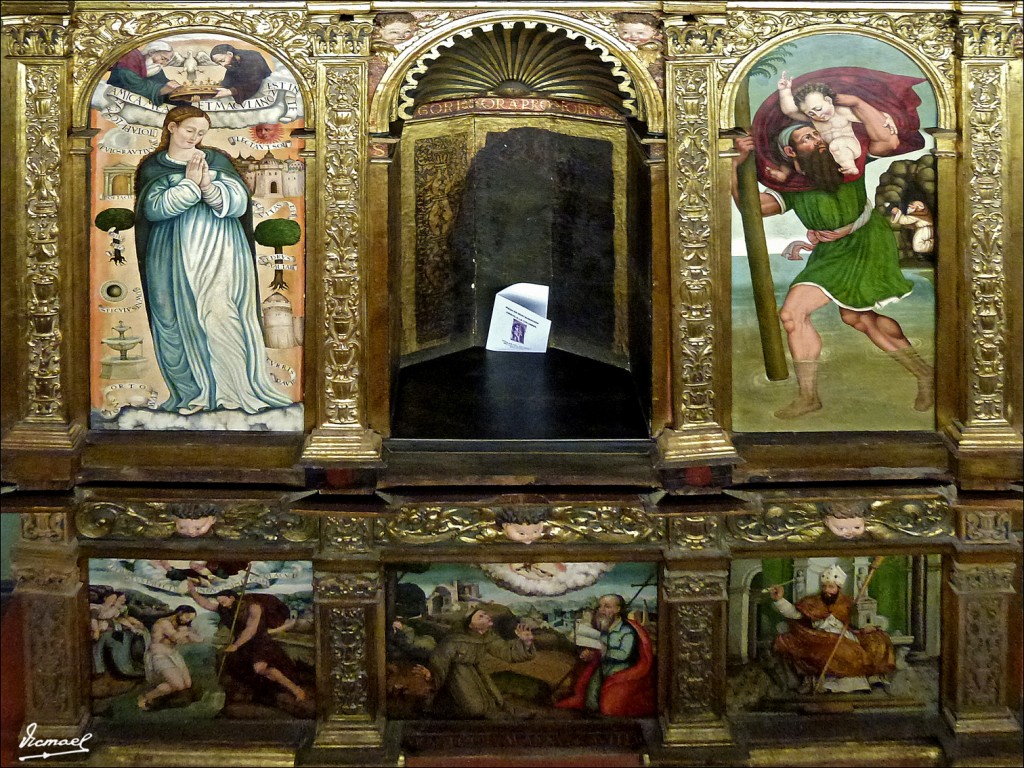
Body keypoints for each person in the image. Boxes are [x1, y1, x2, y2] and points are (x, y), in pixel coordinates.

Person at [732, 122, 934, 419]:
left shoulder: (845, 160)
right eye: (807, 138)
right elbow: (754, 208)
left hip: (865, 242)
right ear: (790, 151)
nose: (818, 140)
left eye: (816, 134)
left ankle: (811, 396)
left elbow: (887, 142)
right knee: (850, 317)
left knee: (806, 314)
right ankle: (812, 395)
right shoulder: (791, 186)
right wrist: (735, 165)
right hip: (831, 252)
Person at [134, 106, 291, 416]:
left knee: (221, 315)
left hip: (218, 251)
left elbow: (238, 203)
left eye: (201, 133)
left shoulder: (216, 161)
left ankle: (232, 393)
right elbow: (153, 210)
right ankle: (192, 394)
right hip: (170, 257)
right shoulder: (154, 167)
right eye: (190, 130)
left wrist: (206, 185)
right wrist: (189, 185)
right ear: (172, 128)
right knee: (173, 321)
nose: (195, 137)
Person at [769, 564, 895, 693]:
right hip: (820, 637)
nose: (827, 590)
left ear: (838, 588)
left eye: (831, 587)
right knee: (841, 651)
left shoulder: (847, 602)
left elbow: (857, 622)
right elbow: (794, 613)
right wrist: (779, 600)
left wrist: (866, 627)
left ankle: (873, 676)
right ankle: (830, 683)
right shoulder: (812, 602)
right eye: (824, 586)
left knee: (877, 639)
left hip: (846, 635)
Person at [187, 582, 306, 702]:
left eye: (223, 601)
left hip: (259, 642)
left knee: (260, 668)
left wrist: (235, 645)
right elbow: (205, 604)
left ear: (232, 598)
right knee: (241, 669)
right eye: (219, 602)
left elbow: (250, 630)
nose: (221, 604)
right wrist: (192, 591)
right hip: (243, 645)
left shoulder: (253, 607)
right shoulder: (224, 609)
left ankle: (297, 691)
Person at [776, 74, 897, 178]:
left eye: (818, 109)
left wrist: (888, 118)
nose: (818, 115)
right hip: (834, 154)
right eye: (811, 113)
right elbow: (789, 111)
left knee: (837, 144)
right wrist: (784, 92)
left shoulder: (842, 112)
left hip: (850, 148)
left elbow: (870, 116)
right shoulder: (814, 119)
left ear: (829, 101)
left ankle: (851, 167)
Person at [555, 594, 656, 717]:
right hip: (603, 668)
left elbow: (623, 654)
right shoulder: (604, 628)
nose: (601, 610)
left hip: (620, 670)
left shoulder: (627, 631)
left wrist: (603, 652)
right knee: (591, 695)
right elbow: (598, 646)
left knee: (610, 703)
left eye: (607, 607)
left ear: (618, 609)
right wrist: (590, 654)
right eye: (600, 606)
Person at [424, 608, 535, 719]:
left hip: (475, 670)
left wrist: (525, 643)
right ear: (470, 625)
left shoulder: (487, 637)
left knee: (495, 698)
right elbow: (440, 657)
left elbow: (506, 652)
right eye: (480, 616)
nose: (486, 617)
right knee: (475, 707)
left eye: (485, 614)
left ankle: (507, 714)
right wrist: (432, 675)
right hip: (456, 673)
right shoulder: (455, 640)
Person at [137, 605, 201, 710]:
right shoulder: (164, 622)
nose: (187, 621)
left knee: (187, 684)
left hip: (173, 655)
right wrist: (187, 633)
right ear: (179, 613)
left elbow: (197, 639)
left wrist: (187, 634)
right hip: (159, 655)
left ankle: (158, 699)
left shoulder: (179, 626)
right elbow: (174, 637)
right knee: (178, 685)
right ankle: (146, 697)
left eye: (190, 619)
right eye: (187, 617)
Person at [107, 41, 181, 105]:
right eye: (163, 59)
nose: (163, 63)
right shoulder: (130, 58)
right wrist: (161, 90)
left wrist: (178, 91)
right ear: (151, 52)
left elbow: (163, 82)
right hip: (116, 97)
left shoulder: (154, 68)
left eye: (166, 61)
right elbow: (137, 86)